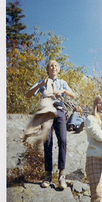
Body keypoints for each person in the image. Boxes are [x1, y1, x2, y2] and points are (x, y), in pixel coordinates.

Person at [26, 60, 75, 190]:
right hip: (46, 111)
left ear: (58, 69)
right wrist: (39, 85)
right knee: (47, 142)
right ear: (47, 70)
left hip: (59, 111)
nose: (53, 68)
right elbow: (28, 95)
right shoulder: (43, 82)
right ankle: (48, 175)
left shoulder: (62, 82)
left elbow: (73, 95)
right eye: (51, 66)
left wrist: (63, 90)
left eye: (55, 66)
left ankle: (61, 175)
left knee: (63, 140)